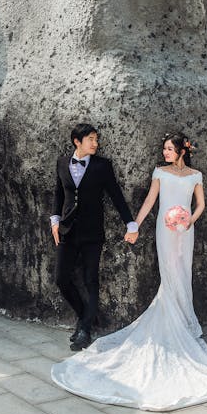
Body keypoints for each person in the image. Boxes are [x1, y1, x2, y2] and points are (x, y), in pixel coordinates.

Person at [51, 131, 207, 411]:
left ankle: (186, 320)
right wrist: (134, 225)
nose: (165, 153)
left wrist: (189, 220)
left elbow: (201, 204)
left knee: (183, 272)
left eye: (169, 149)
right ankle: (174, 320)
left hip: (185, 230)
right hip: (165, 230)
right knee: (170, 272)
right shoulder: (159, 172)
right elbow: (150, 201)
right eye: (163, 149)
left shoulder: (195, 175)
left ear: (181, 151)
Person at [51, 122, 139, 351]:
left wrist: (130, 223)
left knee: (91, 279)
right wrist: (54, 220)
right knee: (61, 278)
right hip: (67, 231)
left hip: (92, 232)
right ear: (77, 141)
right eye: (91, 139)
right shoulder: (62, 163)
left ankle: (85, 330)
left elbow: (116, 196)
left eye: (96, 139)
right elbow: (59, 194)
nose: (96, 143)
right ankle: (85, 317)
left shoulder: (102, 166)